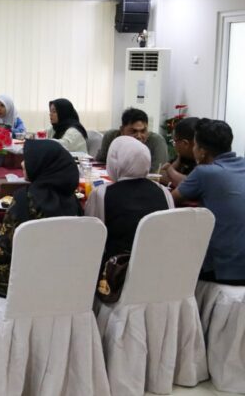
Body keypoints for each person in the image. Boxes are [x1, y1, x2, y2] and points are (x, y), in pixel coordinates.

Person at [0, 139, 83, 297]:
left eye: (27, 160)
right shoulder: (72, 200)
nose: (22, 164)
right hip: (63, 279)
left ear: (41, 165)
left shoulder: (26, 198)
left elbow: (1, 251)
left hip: (25, 282)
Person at [172, 119, 245, 285]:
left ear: (202, 151)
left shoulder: (205, 172)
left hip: (227, 270)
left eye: (195, 145)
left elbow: (170, 199)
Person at [85, 136, 173, 260]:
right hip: (158, 262)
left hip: (117, 270)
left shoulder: (102, 193)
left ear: (114, 161)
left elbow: (92, 236)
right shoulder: (163, 191)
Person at [95, 107, 168, 173]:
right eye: (133, 131)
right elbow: (100, 162)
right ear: (122, 130)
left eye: (143, 131)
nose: (139, 136)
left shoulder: (157, 141)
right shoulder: (111, 137)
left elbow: (156, 172)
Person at [160, 116, 199, 187]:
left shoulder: (204, 160)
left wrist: (170, 170)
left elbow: (192, 184)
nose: (174, 145)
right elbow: (160, 175)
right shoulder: (183, 156)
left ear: (185, 144)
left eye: (175, 141)